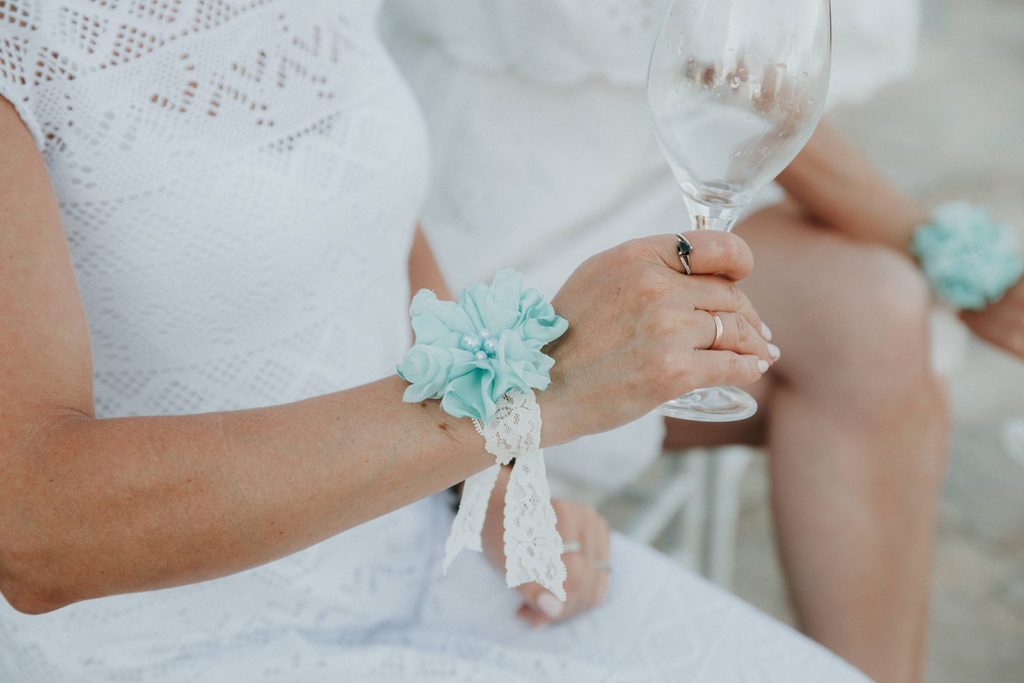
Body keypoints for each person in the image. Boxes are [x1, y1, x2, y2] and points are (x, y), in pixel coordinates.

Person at [0, 2, 873, 681]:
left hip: (423, 553)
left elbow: (376, 231)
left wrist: (490, 488)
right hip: (148, 644)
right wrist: (521, 401)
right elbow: (37, 531)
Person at [382, 1, 1024, 681]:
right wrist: (956, 259)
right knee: (880, 348)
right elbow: (743, 78)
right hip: (496, 211)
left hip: (652, 183)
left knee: (874, 313)